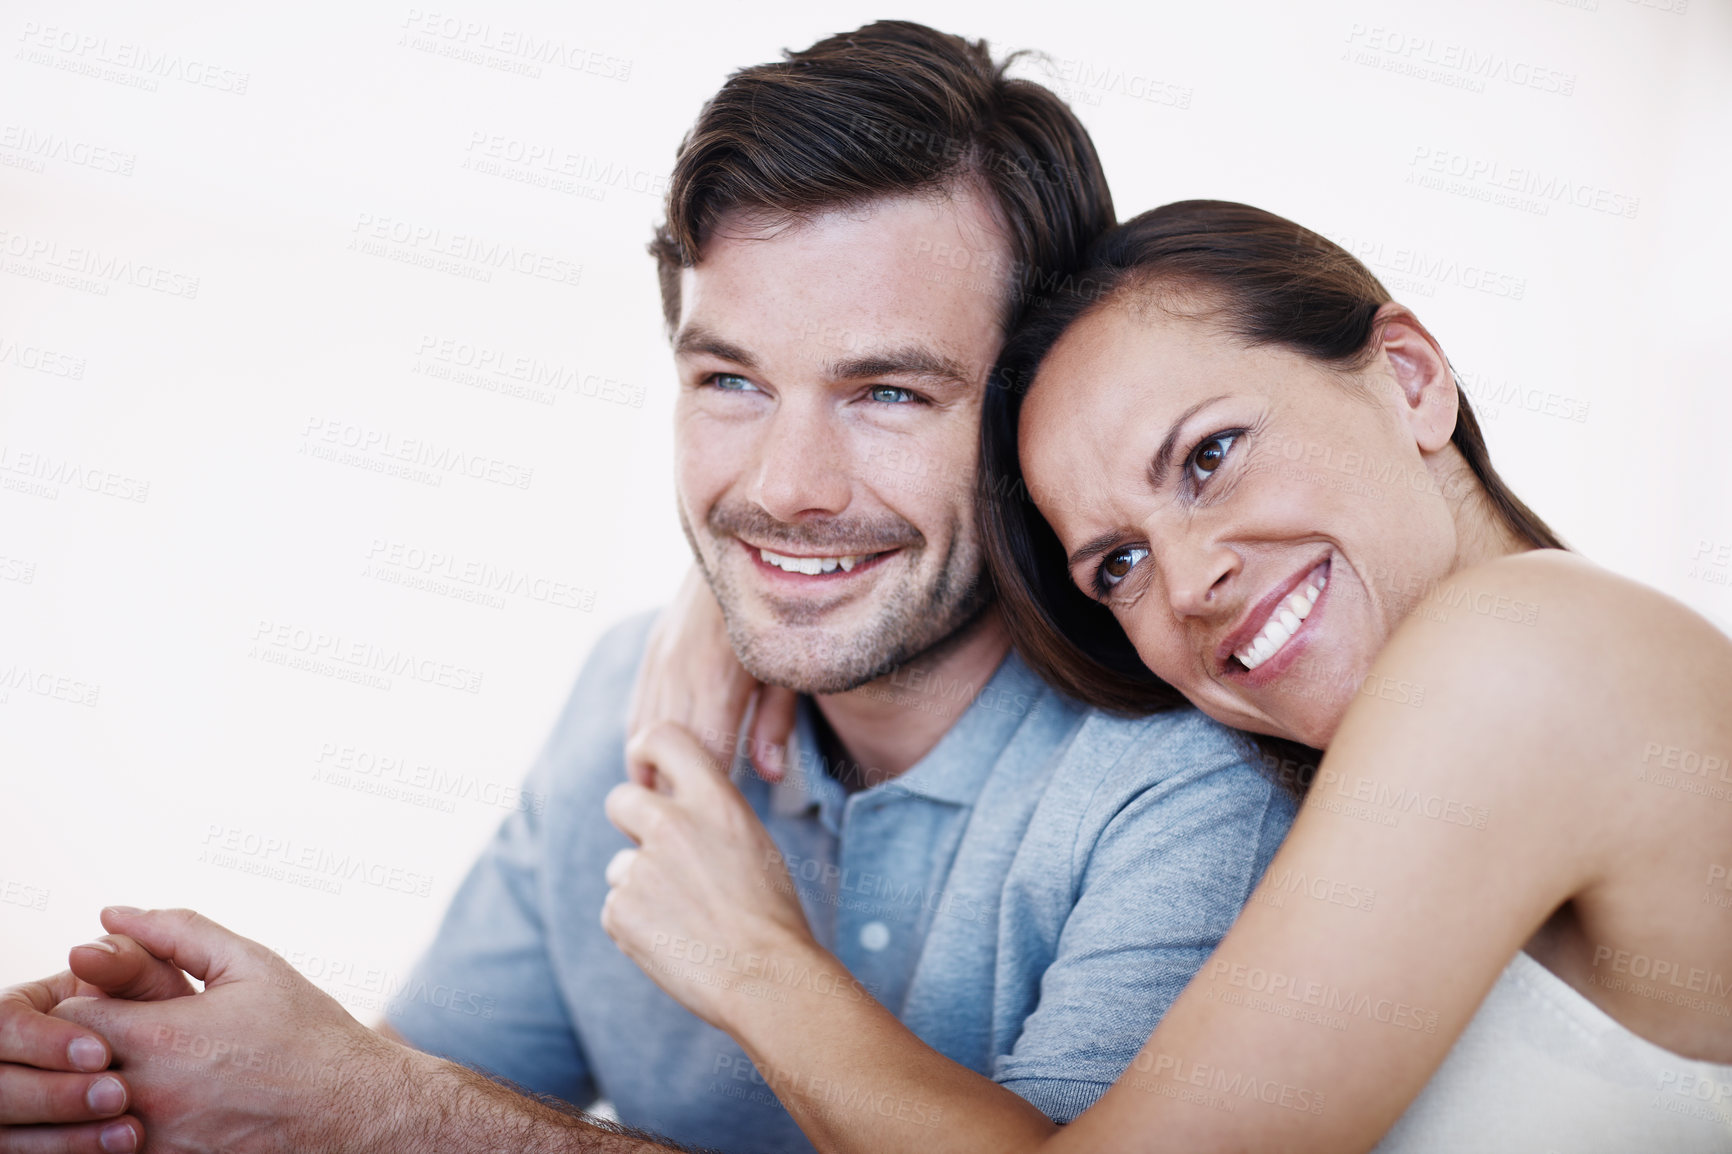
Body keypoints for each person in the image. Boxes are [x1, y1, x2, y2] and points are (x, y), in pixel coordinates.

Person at [0, 26, 1300, 1154]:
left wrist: (374, 1104)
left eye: (888, 392)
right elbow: (415, 1099)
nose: (787, 485)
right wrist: (142, 1086)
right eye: (729, 380)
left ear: (1034, 405)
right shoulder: (638, 691)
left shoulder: (1186, 783)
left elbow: (402, 1113)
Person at [595, 201, 1732, 1152]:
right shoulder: (1427, 738)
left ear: (1408, 374)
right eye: (1117, 562)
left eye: (1210, 456)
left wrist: (752, 957)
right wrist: (766, 595)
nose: (1187, 583)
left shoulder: (1522, 648)